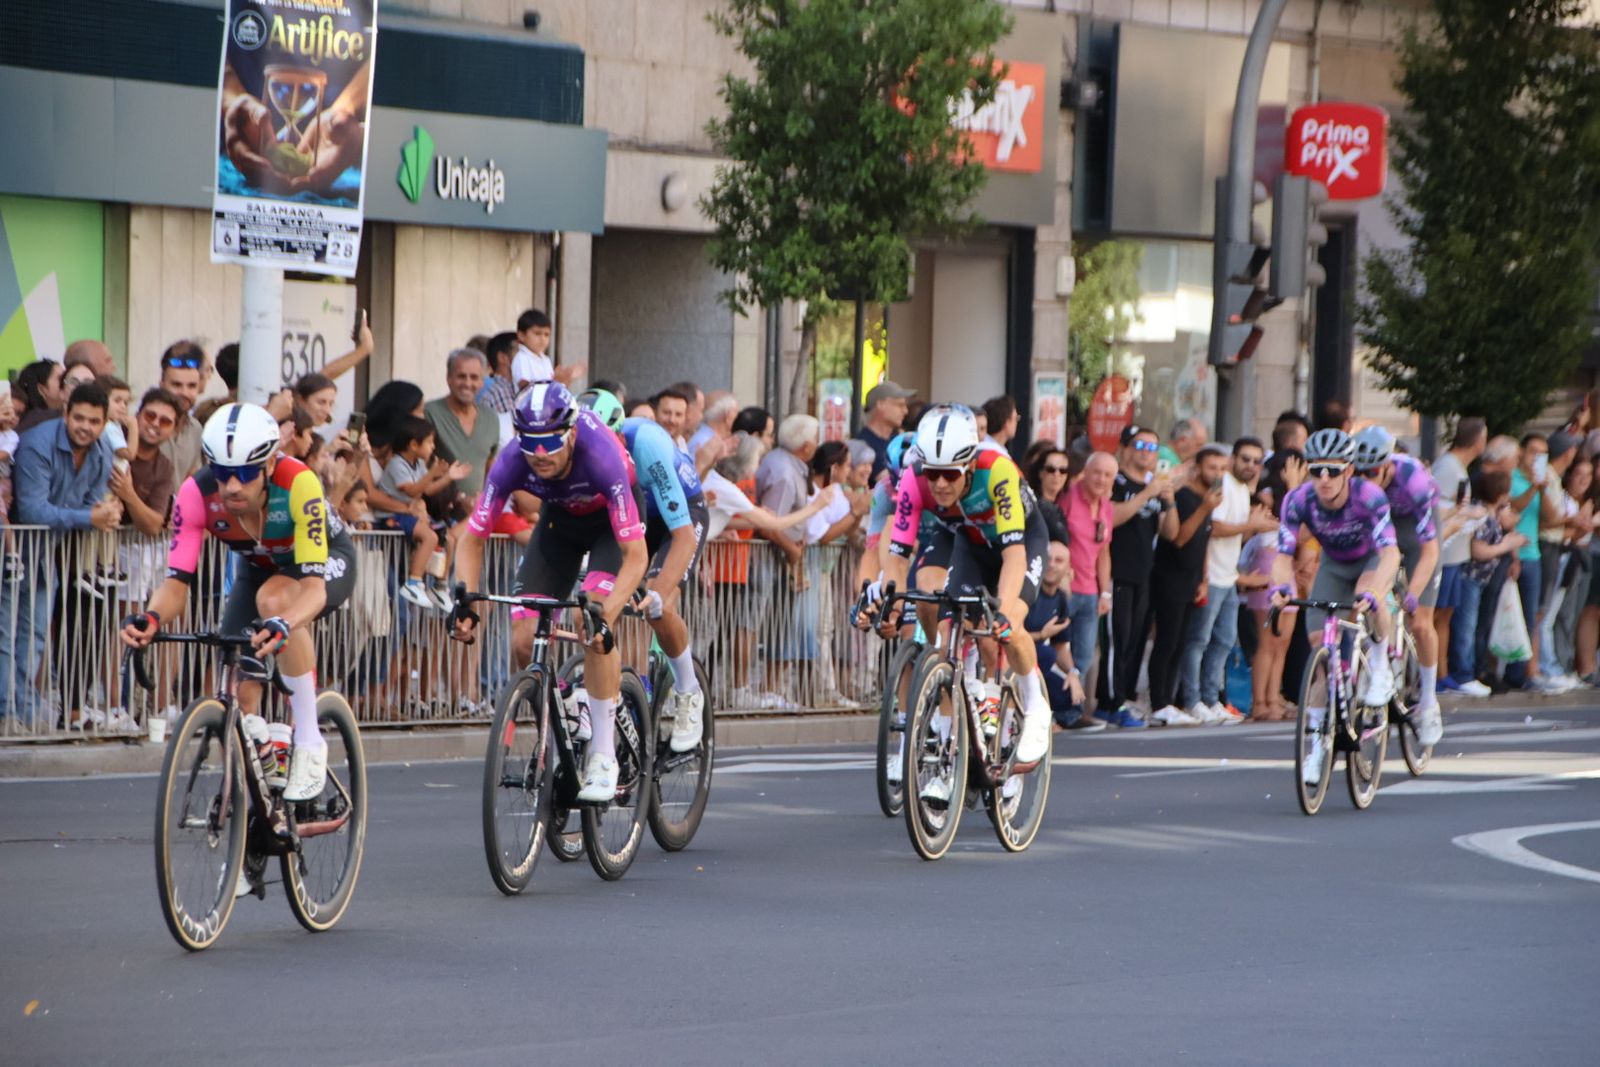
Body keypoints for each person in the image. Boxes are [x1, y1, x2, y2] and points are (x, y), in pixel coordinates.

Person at [121, 403, 358, 803]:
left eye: (246, 473)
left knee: (276, 601)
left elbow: (313, 590)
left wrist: (285, 622)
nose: (232, 485)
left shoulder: (298, 482)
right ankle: (260, 791)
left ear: (268, 465)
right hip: (258, 568)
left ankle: (310, 740)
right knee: (239, 693)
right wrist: (152, 616)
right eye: (223, 472)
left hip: (323, 563)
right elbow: (177, 584)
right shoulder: (196, 495)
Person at [452, 383, 646, 802]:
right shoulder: (510, 463)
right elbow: (472, 538)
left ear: (572, 432)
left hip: (613, 527)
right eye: (530, 442)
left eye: (552, 441)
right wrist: (464, 599)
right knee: (524, 641)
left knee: (588, 619)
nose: (540, 453)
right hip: (560, 524)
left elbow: (635, 556)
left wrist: (607, 614)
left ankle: (603, 755)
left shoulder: (601, 454)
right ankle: (566, 704)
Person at [879, 405, 1054, 771]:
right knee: (943, 609)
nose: (940, 484)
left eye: (950, 474)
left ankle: (1035, 704)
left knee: (1009, 627)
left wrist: (1004, 613)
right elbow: (897, 554)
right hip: (970, 543)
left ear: (970, 466)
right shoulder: (913, 480)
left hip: (1019, 543)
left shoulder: (997, 471)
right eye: (932, 474)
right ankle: (959, 668)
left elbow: (1014, 557)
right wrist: (889, 601)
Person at [580, 389, 710, 752]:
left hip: (680, 517)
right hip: (634, 515)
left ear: (619, 435)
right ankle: (612, 699)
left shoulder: (648, 443)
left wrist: (658, 590)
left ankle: (688, 689)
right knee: (597, 604)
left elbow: (683, 535)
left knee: (659, 604)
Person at [1270, 429, 1402, 781]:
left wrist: (1376, 589)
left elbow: (1390, 552)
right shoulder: (1298, 500)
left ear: (1348, 470)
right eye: (1316, 471)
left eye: (1332, 470)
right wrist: (1281, 587)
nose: (1323, 479)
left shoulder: (1368, 496)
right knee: (1321, 654)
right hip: (1333, 565)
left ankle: (1378, 666)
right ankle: (1316, 748)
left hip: (1369, 560)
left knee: (1368, 594)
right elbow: (1282, 554)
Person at [1352, 426, 1444, 743]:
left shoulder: (1413, 479)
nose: (1367, 478)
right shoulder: (1358, 485)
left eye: (1374, 471)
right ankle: (1378, 664)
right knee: (1372, 591)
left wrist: (1414, 594)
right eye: (1360, 472)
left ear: (1388, 464)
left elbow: (1430, 550)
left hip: (1416, 530)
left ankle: (1429, 701)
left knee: (1421, 623)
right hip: (1380, 525)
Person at [1179, 437, 1270, 724]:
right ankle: (1192, 700)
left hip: (1228, 577)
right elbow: (1214, 528)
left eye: (1257, 461)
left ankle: (1211, 699)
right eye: (1245, 459)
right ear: (1233, 459)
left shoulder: (1243, 489)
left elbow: (1236, 533)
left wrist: (1253, 526)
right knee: (1199, 640)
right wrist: (1252, 525)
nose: (1251, 466)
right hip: (1212, 576)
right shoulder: (1225, 485)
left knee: (1224, 641)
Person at [1099, 425, 1175, 729]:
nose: (1147, 453)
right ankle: (1109, 701)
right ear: (1126, 448)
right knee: (1116, 640)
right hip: (1117, 571)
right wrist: (1147, 493)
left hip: (1143, 573)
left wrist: (1167, 500)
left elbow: (1171, 532)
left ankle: (1124, 696)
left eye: (1153, 448)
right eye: (1140, 446)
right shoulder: (1116, 481)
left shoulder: (1152, 486)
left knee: (1132, 640)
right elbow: (1112, 518)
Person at [1149, 445, 1227, 725]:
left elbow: (1204, 539)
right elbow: (1179, 537)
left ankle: (1171, 701)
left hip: (1192, 580)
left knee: (1181, 643)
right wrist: (1205, 507)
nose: (1217, 474)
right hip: (1169, 577)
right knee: (1167, 641)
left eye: (1221, 469)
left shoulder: (1207, 499)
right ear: (1197, 468)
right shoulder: (1186, 497)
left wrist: (1204, 578)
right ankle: (1159, 702)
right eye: (1212, 468)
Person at [380, 416, 467, 612]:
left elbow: (427, 490)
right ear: (413, 444)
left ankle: (441, 584)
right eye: (429, 442)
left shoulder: (417, 464)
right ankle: (413, 582)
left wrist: (447, 477)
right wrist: (432, 472)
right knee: (429, 537)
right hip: (393, 516)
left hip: (410, 515)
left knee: (449, 539)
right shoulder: (397, 463)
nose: (433, 447)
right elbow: (412, 491)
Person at [1431, 417, 1490, 695]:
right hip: (1443, 555)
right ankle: (1436, 673)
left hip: (1455, 554)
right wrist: (1469, 515)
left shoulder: (1458, 468)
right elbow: (1439, 513)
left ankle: (1443, 673)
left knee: (1445, 614)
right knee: (1436, 615)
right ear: (1477, 440)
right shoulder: (1447, 468)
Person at [424, 348, 500, 504]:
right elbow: (417, 469)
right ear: (449, 378)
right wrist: (460, 499)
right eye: (461, 376)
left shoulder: (491, 418)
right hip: (436, 513)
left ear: (482, 381)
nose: (467, 383)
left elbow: (490, 471)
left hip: (475, 516)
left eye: (474, 377)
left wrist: (484, 504)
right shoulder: (429, 413)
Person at [1028, 540, 1086, 728]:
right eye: (1048, 558)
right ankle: (1028, 715)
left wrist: (1072, 673)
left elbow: (1060, 645)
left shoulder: (1061, 599)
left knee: (1072, 698)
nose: (1052, 564)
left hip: (1037, 667)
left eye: (1059, 560)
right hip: (1013, 662)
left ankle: (1051, 720)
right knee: (1046, 654)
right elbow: (1006, 636)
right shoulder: (1028, 592)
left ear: (1068, 568)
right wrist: (1041, 634)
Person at [156, 341, 206, 482]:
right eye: (176, 385)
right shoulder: (144, 425)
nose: (184, 393)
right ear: (162, 384)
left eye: (191, 386)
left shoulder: (196, 429)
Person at [855, 381, 915, 485]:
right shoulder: (864, 443)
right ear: (881, 405)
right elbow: (891, 482)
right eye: (899, 405)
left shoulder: (899, 438)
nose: (905, 411)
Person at [510, 309, 583, 388]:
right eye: (537, 333)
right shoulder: (522, 358)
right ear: (521, 335)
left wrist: (567, 378)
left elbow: (554, 388)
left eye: (547, 335)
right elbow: (525, 387)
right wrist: (556, 381)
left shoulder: (545, 360)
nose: (542, 339)